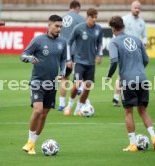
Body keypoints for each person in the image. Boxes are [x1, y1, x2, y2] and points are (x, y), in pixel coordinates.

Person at [107, 16, 155, 152]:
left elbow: (113, 61)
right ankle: (154, 137)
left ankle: (133, 144)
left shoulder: (114, 42)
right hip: (143, 79)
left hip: (127, 81)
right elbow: (146, 59)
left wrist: (109, 76)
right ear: (123, 26)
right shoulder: (137, 40)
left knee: (129, 112)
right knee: (143, 111)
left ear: (113, 29)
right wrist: (139, 70)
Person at [21, 15, 66, 155]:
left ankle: (32, 144)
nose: (59, 29)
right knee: (38, 110)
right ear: (49, 25)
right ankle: (29, 141)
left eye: (60, 27)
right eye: (56, 26)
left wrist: (63, 72)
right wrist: (30, 58)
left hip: (52, 84)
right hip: (37, 81)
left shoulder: (63, 42)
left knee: (44, 114)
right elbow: (23, 55)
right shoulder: (38, 40)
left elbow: (64, 60)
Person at [63, 8, 103, 116]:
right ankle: (69, 105)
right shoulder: (78, 28)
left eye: (96, 17)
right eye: (92, 17)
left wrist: (99, 54)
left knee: (88, 86)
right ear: (87, 17)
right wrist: (69, 59)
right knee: (77, 84)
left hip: (91, 63)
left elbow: (100, 43)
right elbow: (69, 42)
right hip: (79, 61)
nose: (94, 19)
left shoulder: (98, 29)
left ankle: (78, 109)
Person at [112, 0, 148, 107]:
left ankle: (132, 96)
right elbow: (116, 34)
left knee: (134, 73)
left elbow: (145, 35)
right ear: (131, 8)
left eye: (139, 8)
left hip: (136, 51)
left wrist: (144, 43)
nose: (137, 10)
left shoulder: (142, 22)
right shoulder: (124, 19)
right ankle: (116, 97)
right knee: (122, 74)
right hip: (125, 50)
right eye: (135, 7)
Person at [58, 0, 86, 111]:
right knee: (81, 76)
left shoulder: (61, 18)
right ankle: (81, 98)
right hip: (76, 50)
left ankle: (61, 104)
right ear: (77, 8)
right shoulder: (80, 19)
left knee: (64, 77)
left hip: (63, 50)